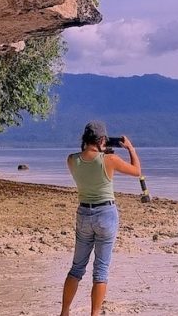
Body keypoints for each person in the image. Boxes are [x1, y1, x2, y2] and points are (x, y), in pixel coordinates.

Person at [60, 121, 141, 316]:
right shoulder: (109, 160)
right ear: (102, 139)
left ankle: (64, 312)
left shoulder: (72, 160)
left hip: (84, 214)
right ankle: (94, 314)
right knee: (101, 270)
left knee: (77, 268)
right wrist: (130, 148)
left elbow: (87, 160)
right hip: (106, 214)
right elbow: (137, 170)